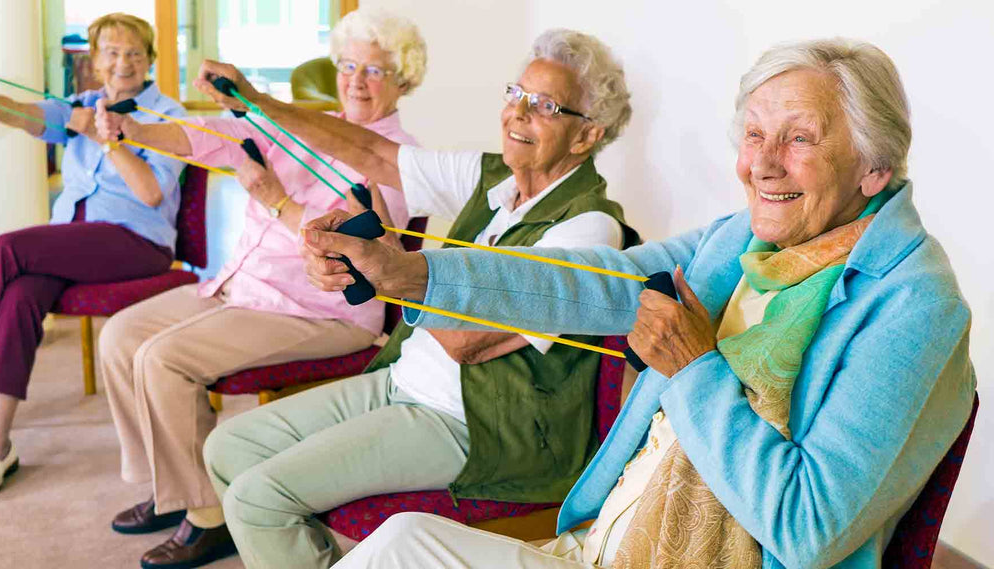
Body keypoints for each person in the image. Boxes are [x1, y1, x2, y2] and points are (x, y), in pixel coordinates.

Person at [304, 38, 976, 569]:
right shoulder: (743, 237)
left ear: (875, 165)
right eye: (754, 133)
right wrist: (409, 273)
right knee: (398, 543)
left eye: (799, 138)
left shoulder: (914, 305)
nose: (761, 164)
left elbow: (807, 529)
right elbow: (587, 282)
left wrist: (693, 369)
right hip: (609, 544)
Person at [198, 28, 639, 569]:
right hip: (401, 380)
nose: (518, 114)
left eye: (545, 106)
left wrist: (385, 268)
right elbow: (370, 152)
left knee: (255, 499)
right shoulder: (495, 179)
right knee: (228, 449)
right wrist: (256, 102)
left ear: (586, 136)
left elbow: (465, 342)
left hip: (473, 422)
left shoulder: (588, 230)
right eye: (515, 94)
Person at [91, 7, 424, 569]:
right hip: (242, 284)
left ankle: (206, 515)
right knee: (121, 336)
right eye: (348, 65)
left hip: (315, 310)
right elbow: (216, 137)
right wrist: (134, 130)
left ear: (403, 81)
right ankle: (173, 488)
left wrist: (274, 197)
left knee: (162, 359)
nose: (356, 81)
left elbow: (353, 247)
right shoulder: (311, 123)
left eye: (375, 71)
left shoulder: (397, 158)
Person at [0, 13, 184, 496]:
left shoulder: (167, 115)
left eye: (134, 52)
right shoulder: (81, 104)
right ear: (94, 61)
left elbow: (151, 193)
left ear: (150, 59)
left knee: (8, 247)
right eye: (111, 52)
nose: (123, 63)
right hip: (76, 244)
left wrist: (105, 139)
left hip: (136, 242)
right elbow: (18, 113)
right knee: (22, 292)